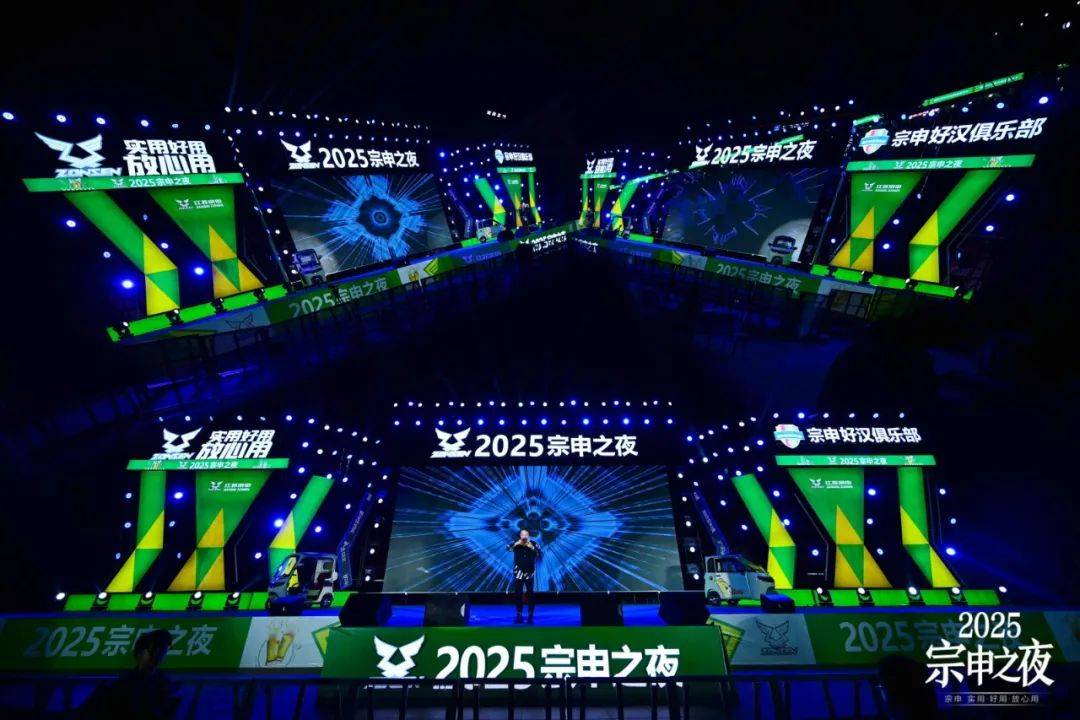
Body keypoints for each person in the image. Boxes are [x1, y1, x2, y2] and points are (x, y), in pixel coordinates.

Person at [79, 628, 179, 719]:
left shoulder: (165, 686)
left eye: (161, 651)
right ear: (139, 653)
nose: (156, 655)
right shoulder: (117, 686)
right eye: (152, 650)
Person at [507, 529, 541, 623]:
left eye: (526, 534)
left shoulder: (533, 543)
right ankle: (519, 614)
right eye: (523, 534)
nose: (524, 536)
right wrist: (516, 544)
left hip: (529, 572)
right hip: (518, 572)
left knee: (530, 594)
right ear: (520, 535)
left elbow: (539, 553)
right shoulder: (516, 543)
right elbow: (507, 548)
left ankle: (530, 614)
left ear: (528, 535)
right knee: (518, 593)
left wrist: (532, 547)